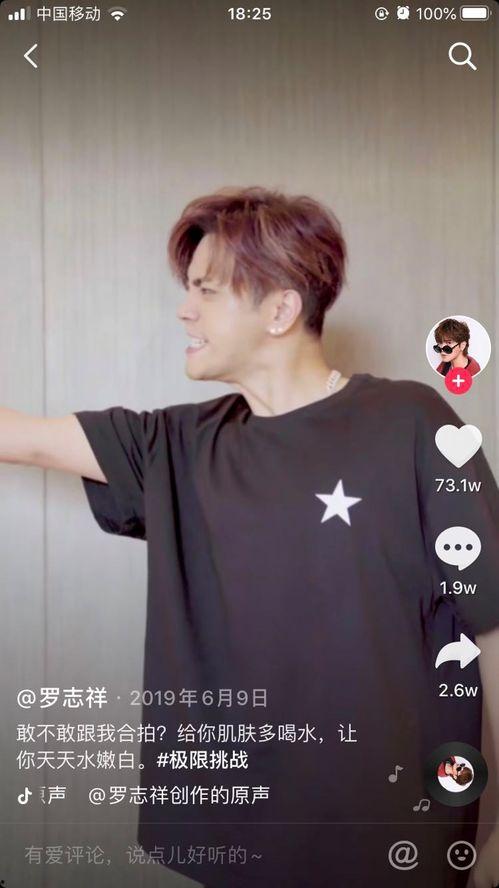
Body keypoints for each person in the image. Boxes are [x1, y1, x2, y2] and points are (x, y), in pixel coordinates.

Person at [1, 186, 499, 887]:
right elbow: (21, 438)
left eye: (205, 290)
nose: (184, 309)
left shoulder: (412, 423)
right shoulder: (177, 444)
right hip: (245, 850)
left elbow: (492, 625)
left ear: (280, 310)